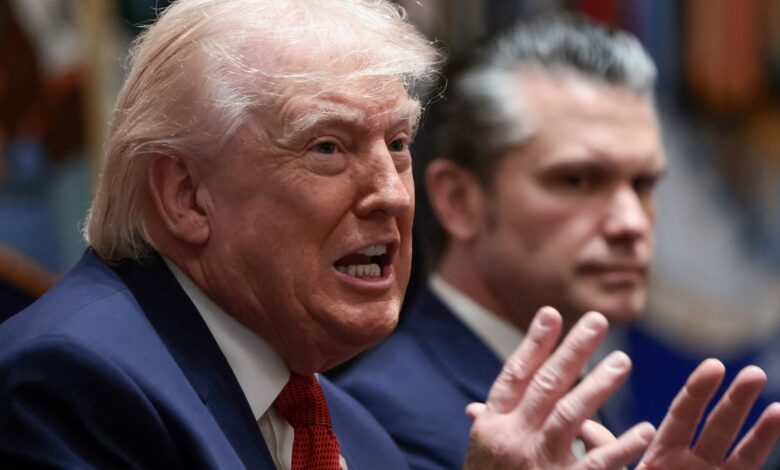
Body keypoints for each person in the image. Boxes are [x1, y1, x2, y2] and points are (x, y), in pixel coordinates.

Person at [0, 1, 667, 469]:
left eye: (398, 144)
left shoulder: (357, 435)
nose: (391, 194)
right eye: (328, 147)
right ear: (186, 195)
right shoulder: (70, 384)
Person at [336, 13, 780, 469]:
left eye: (644, 184)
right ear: (459, 200)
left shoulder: (571, 386)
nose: (631, 222)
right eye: (576, 180)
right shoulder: (383, 420)